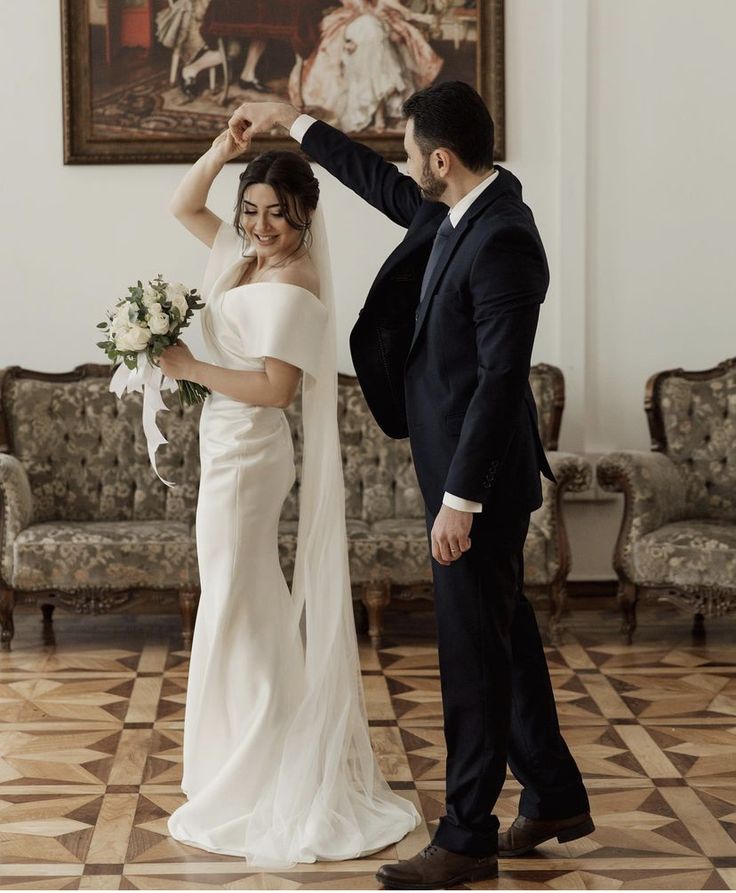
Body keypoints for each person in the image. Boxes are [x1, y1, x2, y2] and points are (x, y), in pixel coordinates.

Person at [227, 82, 593, 889]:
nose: (401, 162)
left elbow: (501, 380)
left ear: (441, 158)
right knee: (507, 639)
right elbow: (376, 180)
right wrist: (295, 122)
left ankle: (466, 835)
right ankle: (557, 795)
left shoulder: (504, 238)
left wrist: (460, 501)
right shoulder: (454, 207)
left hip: (478, 482)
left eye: (409, 148)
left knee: (472, 656)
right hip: (453, 469)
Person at [159, 131, 420, 866]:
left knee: (235, 600)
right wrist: (222, 149)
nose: (259, 225)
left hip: (250, 453)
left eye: (276, 212)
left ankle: (265, 762)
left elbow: (276, 389)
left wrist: (190, 365)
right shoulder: (243, 259)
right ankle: (263, 752)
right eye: (250, 209)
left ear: (305, 211)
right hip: (223, 446)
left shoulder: (295, 280)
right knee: (244, 602)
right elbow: (182, 204)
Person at [290, 0, 441, 132]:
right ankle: (378, 109)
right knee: (372, 32)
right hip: (349, 23)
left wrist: (392, 26)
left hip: (376, 23)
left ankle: (377, 107)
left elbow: (386, 5)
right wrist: (344, 39)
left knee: (375, 36)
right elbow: (356, 9)